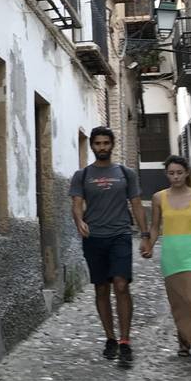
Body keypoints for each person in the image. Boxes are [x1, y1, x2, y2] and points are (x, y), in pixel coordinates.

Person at [70, 126, 150, 365]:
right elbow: (76, 203)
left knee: (121, 284)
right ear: (92, 146)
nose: (102, 148)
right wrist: (79, 221)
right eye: (97, 144)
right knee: (101, 288)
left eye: (106, 143)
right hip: (94, 237)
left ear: (112, 144)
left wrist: (145, 234)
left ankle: (125, 341)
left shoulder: (126, 173)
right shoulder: (82, 175)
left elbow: (136, 204)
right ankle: (110, 338)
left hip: (120, 235)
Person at [144, 154, 191, 370]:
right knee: (179, 301)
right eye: (171, 173)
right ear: (166, 174)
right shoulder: (158, 198)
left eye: (179, 173)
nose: (176, 177)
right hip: (172, 253)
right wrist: (150, 244)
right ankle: (184, 338)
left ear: (187, 173)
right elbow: (155, 226)